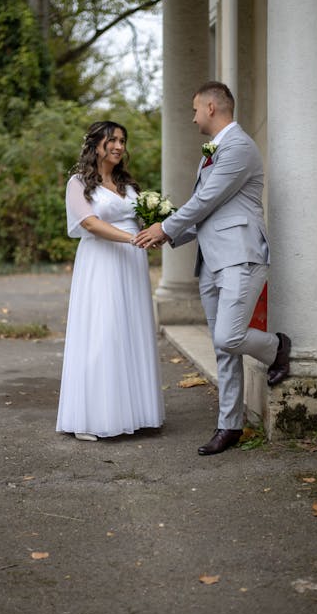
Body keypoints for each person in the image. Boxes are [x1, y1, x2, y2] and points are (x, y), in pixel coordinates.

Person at [135, 82, 291, 456]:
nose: (191, 118)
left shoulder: (237, 147)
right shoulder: (212, 153)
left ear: (210, 107)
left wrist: (165, 226)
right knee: (223, 350)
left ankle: (276, 347)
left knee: (228, 337)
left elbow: (204, 200)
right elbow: (209, 212)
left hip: (241, 255)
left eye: (194, 109)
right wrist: (169, 237)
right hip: (211, 262)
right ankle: (229, 425)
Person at [56, 120, 164, 441]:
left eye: (122, 141)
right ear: (96, 145)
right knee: (103, 331)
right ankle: (93, 416)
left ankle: (137, 412)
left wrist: (153, 234)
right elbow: (89, 223)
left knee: (132, 331)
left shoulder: (129, 184)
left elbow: (142, 221)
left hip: (132, 265)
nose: (119, 146)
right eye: (112, 140)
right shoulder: (78, 183)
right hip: (101, 263)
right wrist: (131, 239)